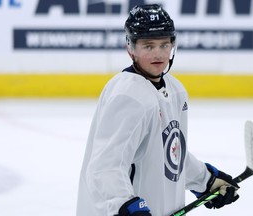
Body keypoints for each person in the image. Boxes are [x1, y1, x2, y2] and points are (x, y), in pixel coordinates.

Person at [76, 4, 239, 216]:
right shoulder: (128, 95)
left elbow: (170, 155)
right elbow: (105, 167)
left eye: (164, 44)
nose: (158, 53)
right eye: (148, 46)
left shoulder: (175, 90)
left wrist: (205, 180)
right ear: (130, 48)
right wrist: (126, 206)